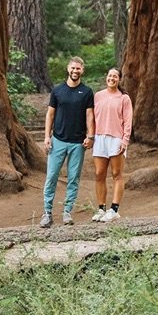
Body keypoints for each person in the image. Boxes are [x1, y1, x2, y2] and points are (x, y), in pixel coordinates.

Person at [40, 56, 95, 226]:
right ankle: (47, 213)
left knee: (73, 178)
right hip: (58, 140)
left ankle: (67, 212)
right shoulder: (57, 91)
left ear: (82, 70)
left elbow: (89, 115)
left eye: (78, 68)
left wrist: (90, 136)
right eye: (73, 68)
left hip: (78, 143)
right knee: (51, 176)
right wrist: (47, 136)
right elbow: (50, 114)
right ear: (68, 69)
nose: (75, 71)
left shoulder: (86, 92)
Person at [91, 65, 133, 221]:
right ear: (106, 77)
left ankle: (114, 209)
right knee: (99, 174)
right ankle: (101, 209)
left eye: (115, 76)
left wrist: (125, 140)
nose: (112, 78)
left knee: (116, 174)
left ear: (119, 79)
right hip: (99, 138)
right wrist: (90, 136)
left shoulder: (124, 98)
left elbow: (128, 121)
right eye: (110, 76)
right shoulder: (98, 96)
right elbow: (92, 118)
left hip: (116, 139)